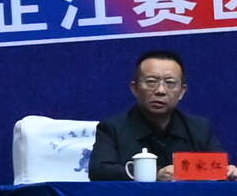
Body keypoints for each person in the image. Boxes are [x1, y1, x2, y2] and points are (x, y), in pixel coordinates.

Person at [93, 50, 223, 178]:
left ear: (182, 92)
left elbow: (218, 168)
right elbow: (99, 171)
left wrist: (227, 172)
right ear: (135, 89)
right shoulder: (112, 128)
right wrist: (154, 173)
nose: (160, 90)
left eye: (170, 83)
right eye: (151, 81)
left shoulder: (199, 128)